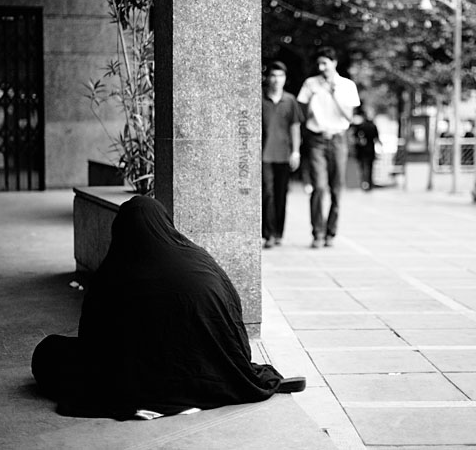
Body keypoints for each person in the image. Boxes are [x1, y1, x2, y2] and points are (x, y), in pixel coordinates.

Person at [31, 196, 305, 420]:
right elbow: (235, 331)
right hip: (208, 373)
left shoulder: (112, 274)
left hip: (132, 378)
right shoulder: (199, 259)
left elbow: (93, 340)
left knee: (48, 353)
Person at [297, 46, 361, 248]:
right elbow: (302, 113)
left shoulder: (347, 85)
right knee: (319, 186)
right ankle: (317, 232)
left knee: (336, 188)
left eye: (325, 63)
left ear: (334, 63)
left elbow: (349, 116)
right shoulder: (310, 84)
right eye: (319, 63)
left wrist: (334, 94)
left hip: (339, 139)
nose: (321, 67)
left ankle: (331, 233)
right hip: (317, 139)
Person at [261, 61, 303, 248]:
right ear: (267, 78)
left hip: (284, 154)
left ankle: (278, 232)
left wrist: (296, 151)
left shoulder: (290, 100)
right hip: (263, 155)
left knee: (281, 194)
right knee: (267, 194)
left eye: (280, 76)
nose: (276, 80)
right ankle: (268, 234)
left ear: (285, 79)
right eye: (273, 75)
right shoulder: (259, 99)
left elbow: (295, 126)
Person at [351, 106, 382, 191]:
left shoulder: (362, 126)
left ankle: (365, 183)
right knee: (367, 167)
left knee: (365, 167)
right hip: (367, 150)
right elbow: (377, 138)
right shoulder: (369, 126)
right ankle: (368, 183)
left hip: (366, 150)